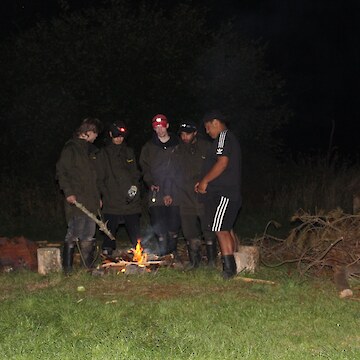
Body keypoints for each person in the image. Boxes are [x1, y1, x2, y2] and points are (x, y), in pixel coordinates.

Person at [195, 111, 242, 279]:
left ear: (215, 122)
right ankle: (238, 263)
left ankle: (229, 269)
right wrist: (203, 181)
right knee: (226, 228)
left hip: (225, 193)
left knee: (219, 228)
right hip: (226, 191)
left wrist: (205, 181)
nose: (207, 131)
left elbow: (222, 163)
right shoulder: (229, 138)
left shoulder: (223, 136)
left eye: (208, 127)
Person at [56, 117, 103, 273]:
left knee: (89, 235)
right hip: (76, 199)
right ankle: (67, 269)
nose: (96, 137)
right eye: (95, 133)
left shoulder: (90, 151)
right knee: (74, 233)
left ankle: (87, 267)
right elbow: (62, 172)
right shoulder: (71, 149)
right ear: (87, 132)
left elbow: (93, 177)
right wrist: (68, 192)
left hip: (91, 200)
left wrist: (98, 198)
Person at [175, 120, 217, 268]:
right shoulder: (178, 150)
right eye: (182, 134)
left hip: (203, 195)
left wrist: (204, 182)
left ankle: (212, 261)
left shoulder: (206, 147)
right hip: (184, 196)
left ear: (195, 133)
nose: (184, 137)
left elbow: (216, 168)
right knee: (189, 230)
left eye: (188, 134)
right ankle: (194, 262)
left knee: (209, 229)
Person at [96, 121, 142, 255]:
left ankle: (139, 256)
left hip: (130, 202)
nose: (119, 138)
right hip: (112, 201)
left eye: (121, 135)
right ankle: (107, 256)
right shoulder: (103, 154)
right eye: (116, 135)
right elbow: (100, 178)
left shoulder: (129, 152)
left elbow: (135, 174)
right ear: (110, 135)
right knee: (109, 234)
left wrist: (134, 190)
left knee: (135, 235)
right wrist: (104, 195)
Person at [139, 114, 181, 257]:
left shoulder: (178, 145)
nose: (159, 130)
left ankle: (173, 253)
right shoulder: (149, 147)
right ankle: (163, 255)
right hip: (156, 192)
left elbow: (182, 168)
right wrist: (150, 183)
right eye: (156, 128)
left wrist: (172, 190)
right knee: (159, 225)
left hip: (176, 191)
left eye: (162, 126)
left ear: (167, 126)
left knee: (174, 226)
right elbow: (145, 168)